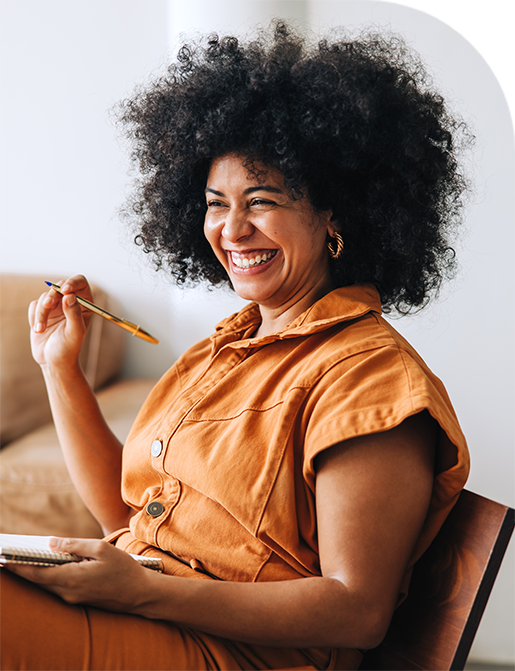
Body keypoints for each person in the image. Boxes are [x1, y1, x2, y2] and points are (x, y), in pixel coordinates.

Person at [1, 21, 470, 671]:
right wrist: (60, 368)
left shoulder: (370, 379)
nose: (232, 228)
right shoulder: (226, 347)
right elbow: (122, 507)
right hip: (149, 610)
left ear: (337, 215)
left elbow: (357, 610)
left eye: (262, 200)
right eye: (215, 203)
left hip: (236, 655)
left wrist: (146, 593)